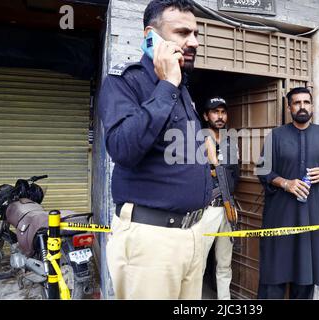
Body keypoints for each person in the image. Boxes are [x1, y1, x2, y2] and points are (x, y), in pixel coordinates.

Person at [98, 0, 214, 299]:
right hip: (150, 242)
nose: (194, 42)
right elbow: (123, 148)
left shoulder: (183, 90)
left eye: (196, 34)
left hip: (193, 235)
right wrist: (167, 85)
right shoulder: (124, 83)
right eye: (183, 33)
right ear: (151, 35)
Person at [256, 87, 319, 299]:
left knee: (305, 273)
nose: (302, 106)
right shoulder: (276, 136)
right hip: (280, 218)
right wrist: (285, 183)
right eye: (297, 103)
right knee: (274, 274)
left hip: (310, 217)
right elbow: (262, 169)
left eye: (306, 102)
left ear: (312, 106)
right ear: (289, 108)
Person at [201, 97, 240, 300]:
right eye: (215, 112)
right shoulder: (196, 140)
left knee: (224, 263)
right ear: (206, 116)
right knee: (196, 264)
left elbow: (236, 175)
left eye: (223, 112)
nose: (220, 116)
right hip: (204, 210)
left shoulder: (230, 142)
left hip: (227, 207)